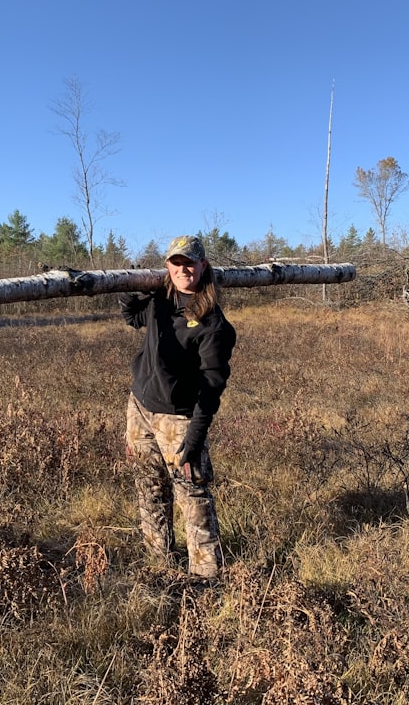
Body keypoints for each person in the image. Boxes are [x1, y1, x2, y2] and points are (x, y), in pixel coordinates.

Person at [119, 235, 236, 578]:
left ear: (203, 266)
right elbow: (134, 318)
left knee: (192, 495)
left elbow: (212, 386)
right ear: (167, 267)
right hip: (139, 407)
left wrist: (195, 437)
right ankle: (160, 563)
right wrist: (127, 288)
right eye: (176, 263)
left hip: (179, 419)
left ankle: (206, 576)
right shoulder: (160, 299)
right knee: (149, 486)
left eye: (190, 262)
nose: (183, 269)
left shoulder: (213, 324)